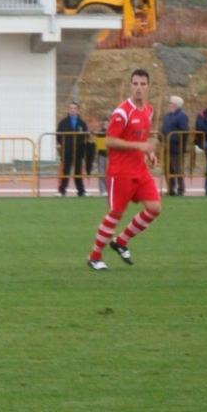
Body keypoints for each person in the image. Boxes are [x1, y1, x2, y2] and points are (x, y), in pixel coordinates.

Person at [86, 69, 162, 271]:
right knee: (116, 213)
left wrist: (149, 153)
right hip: (120, 171)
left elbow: (141, 138)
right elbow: (109, 141)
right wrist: (140, 147)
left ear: (148, 87)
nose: (139, 88)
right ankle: (94, 256)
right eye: (135, 84)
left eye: (142, 84)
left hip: (139, 169)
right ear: (130, 86)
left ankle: (121, 241)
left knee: (154, 208)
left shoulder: (148, 110)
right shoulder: (122, 112)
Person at [56, 102, 89, 197]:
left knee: (78, 171)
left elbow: (85, 136)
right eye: (70, 108)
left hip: (78, 151)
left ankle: (81, 191)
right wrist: (63, 146)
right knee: (65, 171)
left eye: (74, 108)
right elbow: (58, 136)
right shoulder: (63, 123)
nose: (72, 109)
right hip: (67, 151)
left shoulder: (82, 123)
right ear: (68, 109)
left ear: (77, 110)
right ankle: (62, 191)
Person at [161, 95, 189, 196]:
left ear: (175, 105)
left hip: (177, 148)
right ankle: (170, 189)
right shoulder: (167, 116)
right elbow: (163, 128)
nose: (168, 104)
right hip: (167, 147)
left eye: (170, 103)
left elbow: (184, 131)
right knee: (168, 169)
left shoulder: (182, 116)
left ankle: (181, 189)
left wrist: (172, 138)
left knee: (178, 169)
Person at [95, 117, 109, 197]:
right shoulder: (100, 133)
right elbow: (98, 143)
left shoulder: (113, 132)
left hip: (110, 155)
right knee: (101, 172)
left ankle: (109, 189)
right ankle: (102, 190)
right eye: (105, 124)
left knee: (109, 172)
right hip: (102, 154)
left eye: (107, 124)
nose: (106, 126)